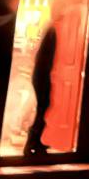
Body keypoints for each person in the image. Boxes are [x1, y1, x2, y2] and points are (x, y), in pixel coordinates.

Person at [24, 24, 58, 157]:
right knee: (42, 109)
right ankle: (31, 143)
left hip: (42, 76)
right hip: (42, 77)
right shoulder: (50, 36)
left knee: (44, 108)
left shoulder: (48, 39)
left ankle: (35, 141)